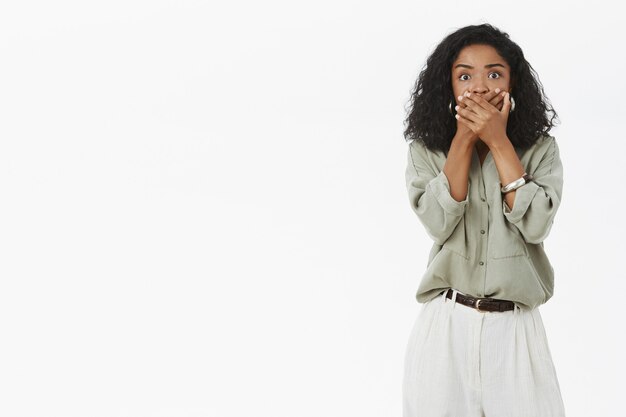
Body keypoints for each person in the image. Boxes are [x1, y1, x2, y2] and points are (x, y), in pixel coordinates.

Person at [401, 23, 566, 417]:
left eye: (494, 73)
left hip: (515, 329)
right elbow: (439, 223)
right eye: (464, 75)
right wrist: (464, 140)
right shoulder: (426, 151)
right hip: (445, 328)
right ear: (449, 86)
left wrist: (497, 140)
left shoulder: (541, 150)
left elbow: (536, 225)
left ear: (513, 83)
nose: (479, 86)